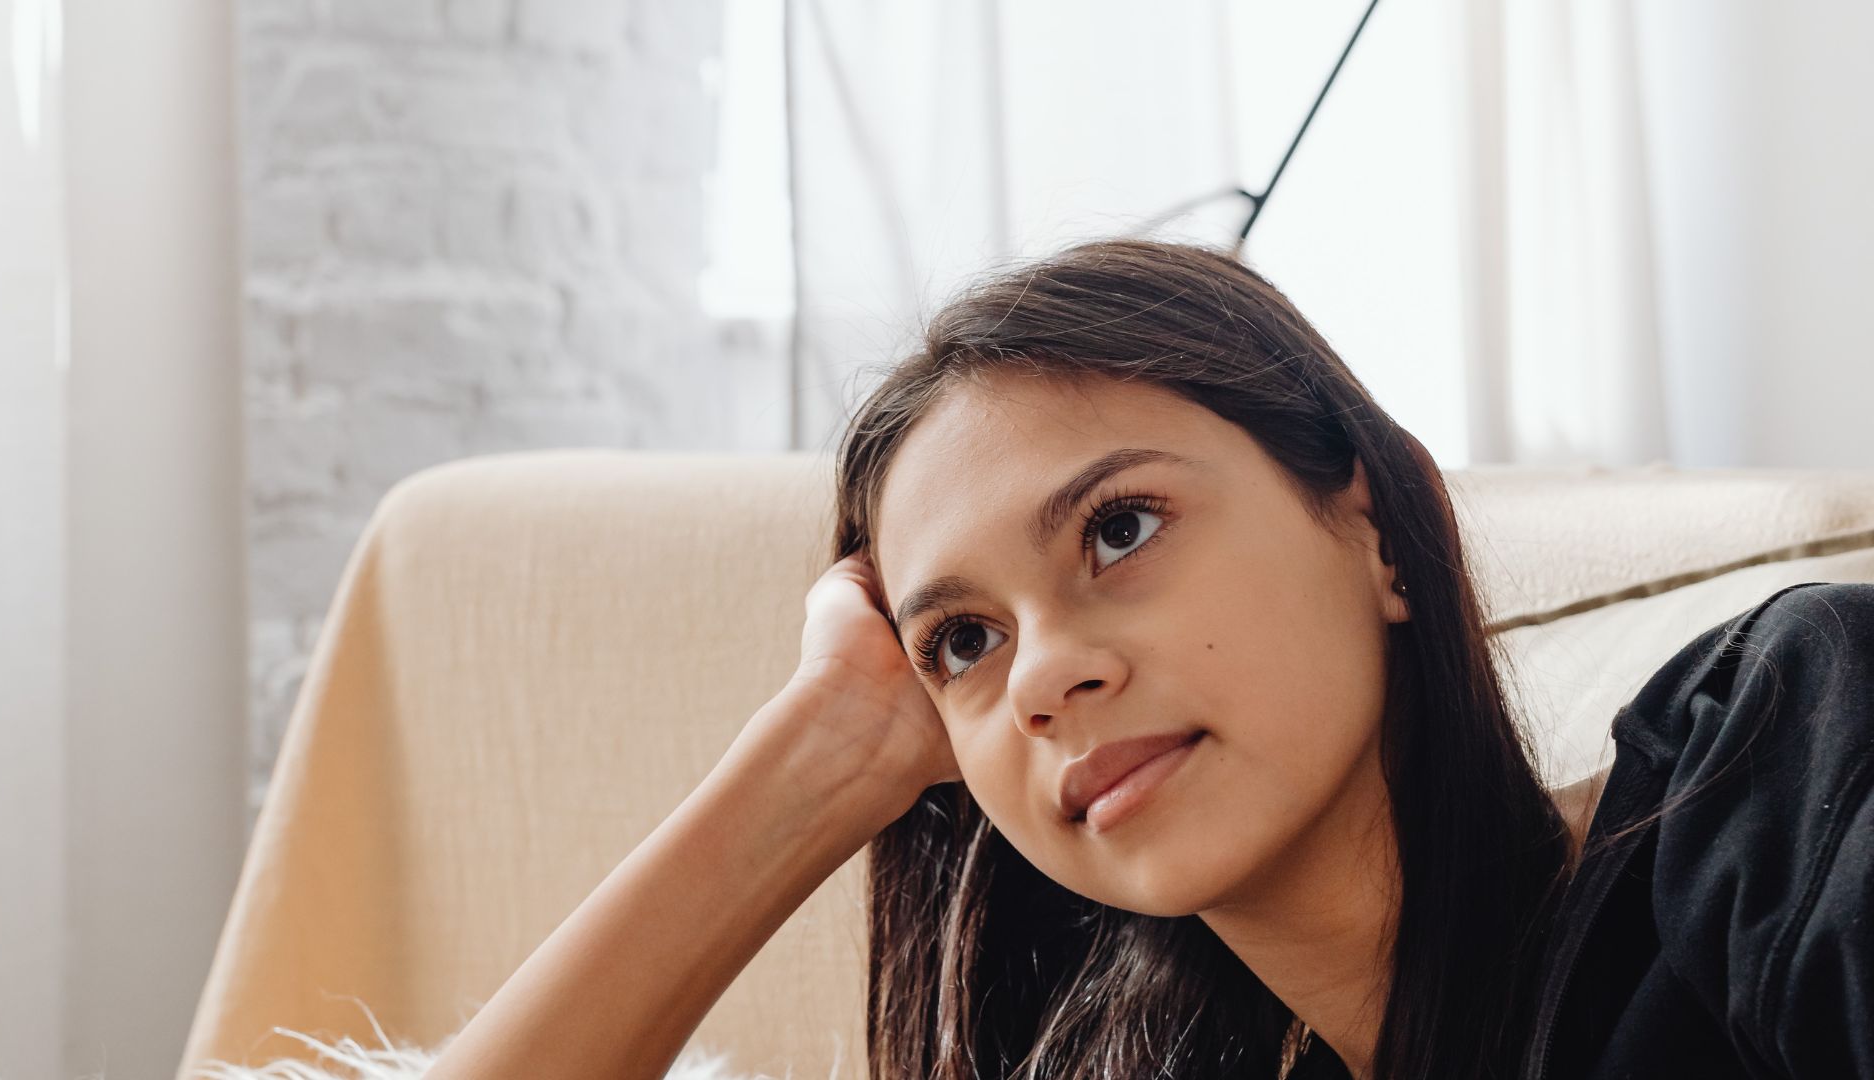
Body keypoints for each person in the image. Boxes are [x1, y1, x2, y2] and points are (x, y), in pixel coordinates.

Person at [421, 239, 1873, 1080]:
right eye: (962, 642)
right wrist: (822, 758)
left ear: (1371, 526)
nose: (1042, 677)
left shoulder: (1768, 768)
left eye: (1120, 528)